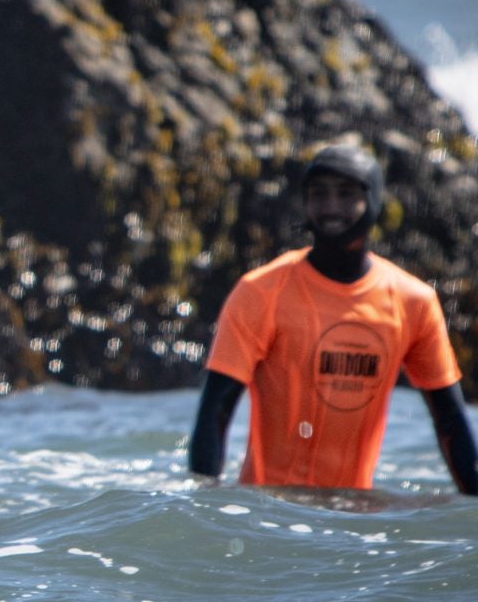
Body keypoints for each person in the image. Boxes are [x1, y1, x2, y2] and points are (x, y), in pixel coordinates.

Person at [190, 143, 478, 494]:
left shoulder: (413, 301)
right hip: (271, 514)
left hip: (354, 522)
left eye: (346, 194)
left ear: (373, 201)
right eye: (319, 194)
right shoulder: (261, 292)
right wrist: (207, 515)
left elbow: (450, 421)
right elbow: (214, 414)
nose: (331, 207)